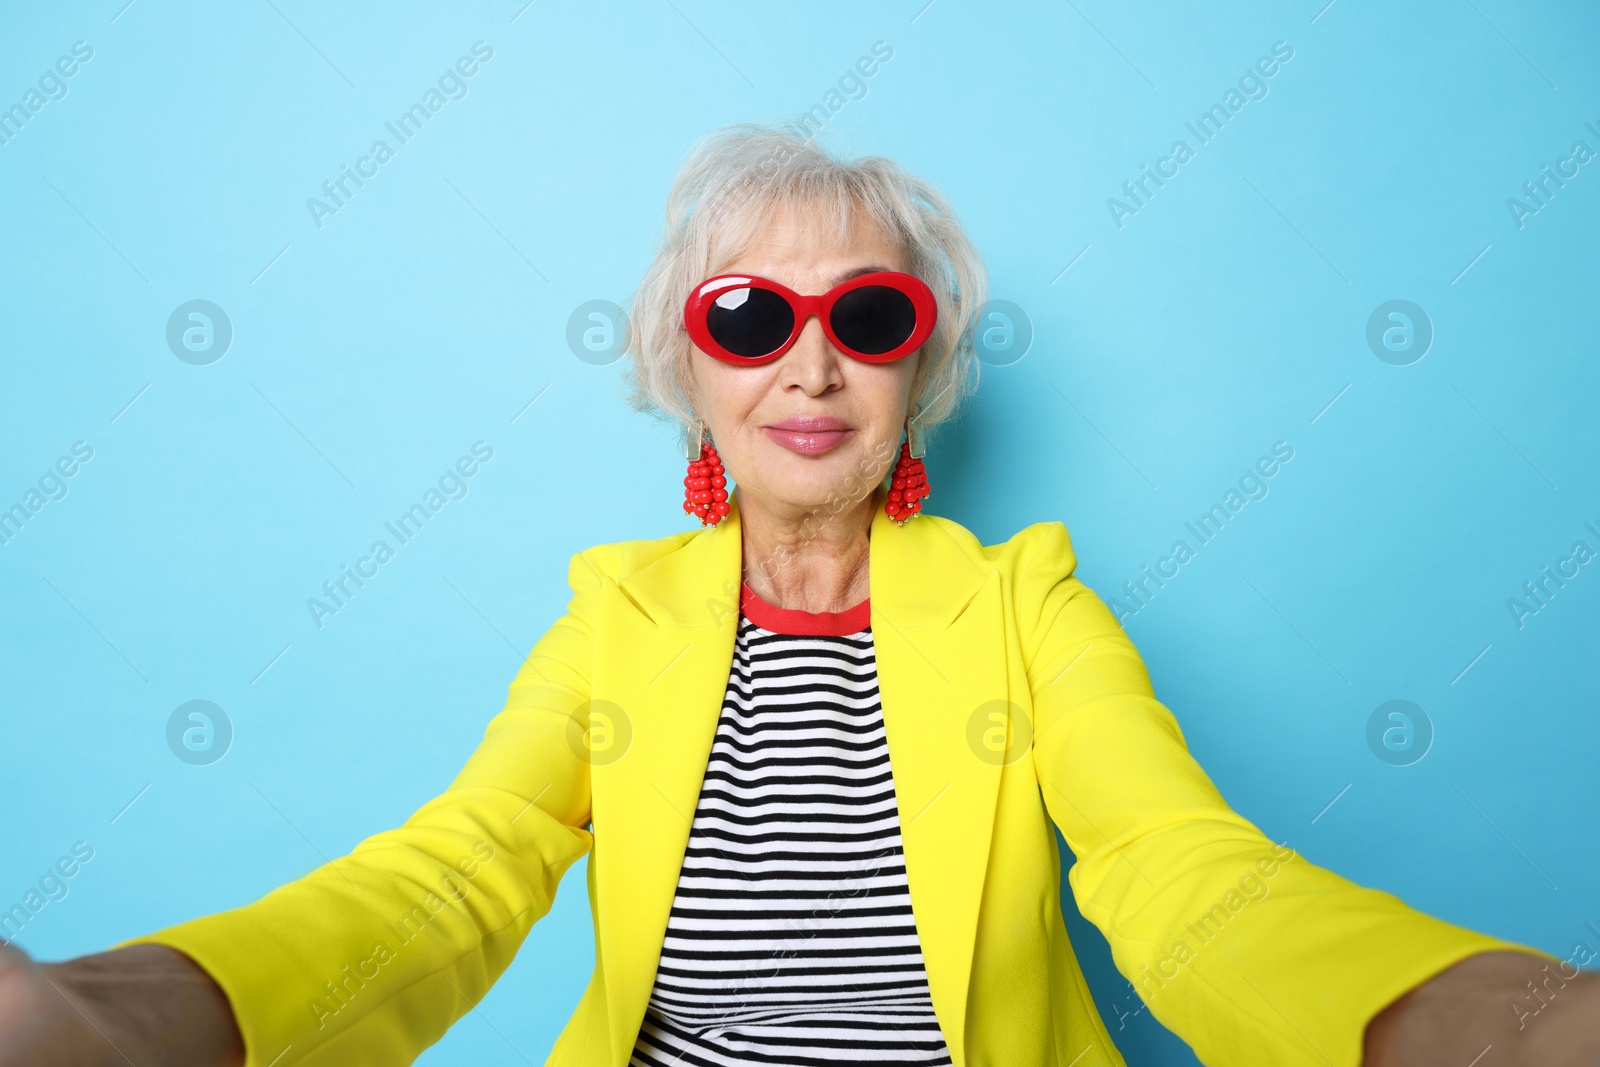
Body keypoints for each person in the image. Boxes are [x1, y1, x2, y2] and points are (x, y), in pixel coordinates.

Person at [2, 123, 1597, 1067]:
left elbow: (1184, 878)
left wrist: (1517, 1028)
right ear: (685, 365)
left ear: (922, 364)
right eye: (753, 313)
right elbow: (452, 880)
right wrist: (106, 1020)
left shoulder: (1028, 605)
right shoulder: (615, 618)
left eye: (871, 312)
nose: (813, 361)